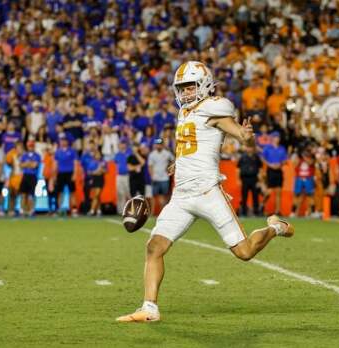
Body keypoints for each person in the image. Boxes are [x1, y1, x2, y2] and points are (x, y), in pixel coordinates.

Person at [117, 62, 294, 323]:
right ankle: (150, 308)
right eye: (182, 88)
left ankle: (276, 226)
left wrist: (246, 136)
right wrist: (179, 162)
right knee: (154, 247)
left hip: (208, 192)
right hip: (182, 195)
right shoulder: (184, 113)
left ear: (204, 84)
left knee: (244, 252)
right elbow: (193, 144)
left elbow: (241, 137)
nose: (186, 92)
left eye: (190, 86)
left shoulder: (215, 109)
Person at [261, 132, 287, 215]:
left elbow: (285, 159)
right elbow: (262, 158)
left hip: (278, 170)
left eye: (278, 137)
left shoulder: (282, 148)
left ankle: (277, 211)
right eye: (276, 137)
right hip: (270, 170)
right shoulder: (268, 148)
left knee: (279, 191)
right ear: (272, 138)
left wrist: (280, 164)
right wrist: (269, 164)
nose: (277, 139)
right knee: (269, 190)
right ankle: (262, 205)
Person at [53, 137, 79, 217]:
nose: (63, 142)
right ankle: (59, 210)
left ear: (67, 142)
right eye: (62, 141)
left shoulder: (72, 151)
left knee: (72, 192)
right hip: (60, 173)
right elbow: (55, 164)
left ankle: (74, 210)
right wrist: (54, 175)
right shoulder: (57, 152)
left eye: (65, 141)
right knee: (60, 192)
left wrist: (74, 174)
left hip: (70, 173)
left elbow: (75, 163)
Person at [148, 138, 174, 214]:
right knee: (153, 196)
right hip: (155, 178)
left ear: (162, 145)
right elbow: (150, 166)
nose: (158, 146)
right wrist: (152, 176)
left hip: (164, 178)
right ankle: (152, 212)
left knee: (164, 196)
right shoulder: (152, 154)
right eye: (157, 144)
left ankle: (163, 213)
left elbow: (173, 160)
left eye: (160, 144)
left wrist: (170, 168)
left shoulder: (167, 153)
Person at [237, 144, 262, 216]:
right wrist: (238, 179)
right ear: (246, 148)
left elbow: (260, 169)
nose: (249, 149)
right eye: (248, 147)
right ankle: (244, 212)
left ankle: (256, 212)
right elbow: (238, 169)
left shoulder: (256, 157)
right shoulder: (242, 157)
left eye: (251, 147)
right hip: (245, 178)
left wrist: (260, 181)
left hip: (254, 178)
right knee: (244, 196)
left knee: (255, 196)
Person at [19, 140, 41, 216]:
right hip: (25, 175)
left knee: (31, 195)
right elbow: (21, 165)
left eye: (32, 146)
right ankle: (23, 209)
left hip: (33, 176)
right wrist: (29, 164)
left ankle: (31, 209)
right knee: (23, 194)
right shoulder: (24, 155)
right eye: (29, 146)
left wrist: (27, 164)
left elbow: (35, 165)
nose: (31, 147)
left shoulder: (37, 155)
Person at [292, 146, 315, 217]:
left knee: (310, 195)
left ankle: (312, 212)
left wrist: (304, 157)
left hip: (308, 178)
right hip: (299, 178)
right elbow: (294, 164)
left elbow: (310, 163)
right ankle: (293, 212)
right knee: (297, 195)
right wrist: (299, 157)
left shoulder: (311, 157)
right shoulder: (298, 158)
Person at [86, 148, 106, 216]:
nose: (98, 155)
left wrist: (100, 170)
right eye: (96, 154)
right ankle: (99, 210)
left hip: (100, 179)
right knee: (97, 196)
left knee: (96, 195)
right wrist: (96, 171)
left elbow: (105, 171)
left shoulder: (103, 162)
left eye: (99, 154)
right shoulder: (91, 162)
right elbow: (89, 172)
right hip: (94, 179)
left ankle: (92, 210)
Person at [114, 140, 131, 214]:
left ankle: (131, 210)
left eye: (123, 143)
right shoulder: (117, 154)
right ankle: (121, 211)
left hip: (127, 175)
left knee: (129, 193)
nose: (122, 145)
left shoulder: (129, 153)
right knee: (120, 193)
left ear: (126, 145)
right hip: (119, 175)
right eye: (121, 143)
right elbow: (116, 163)